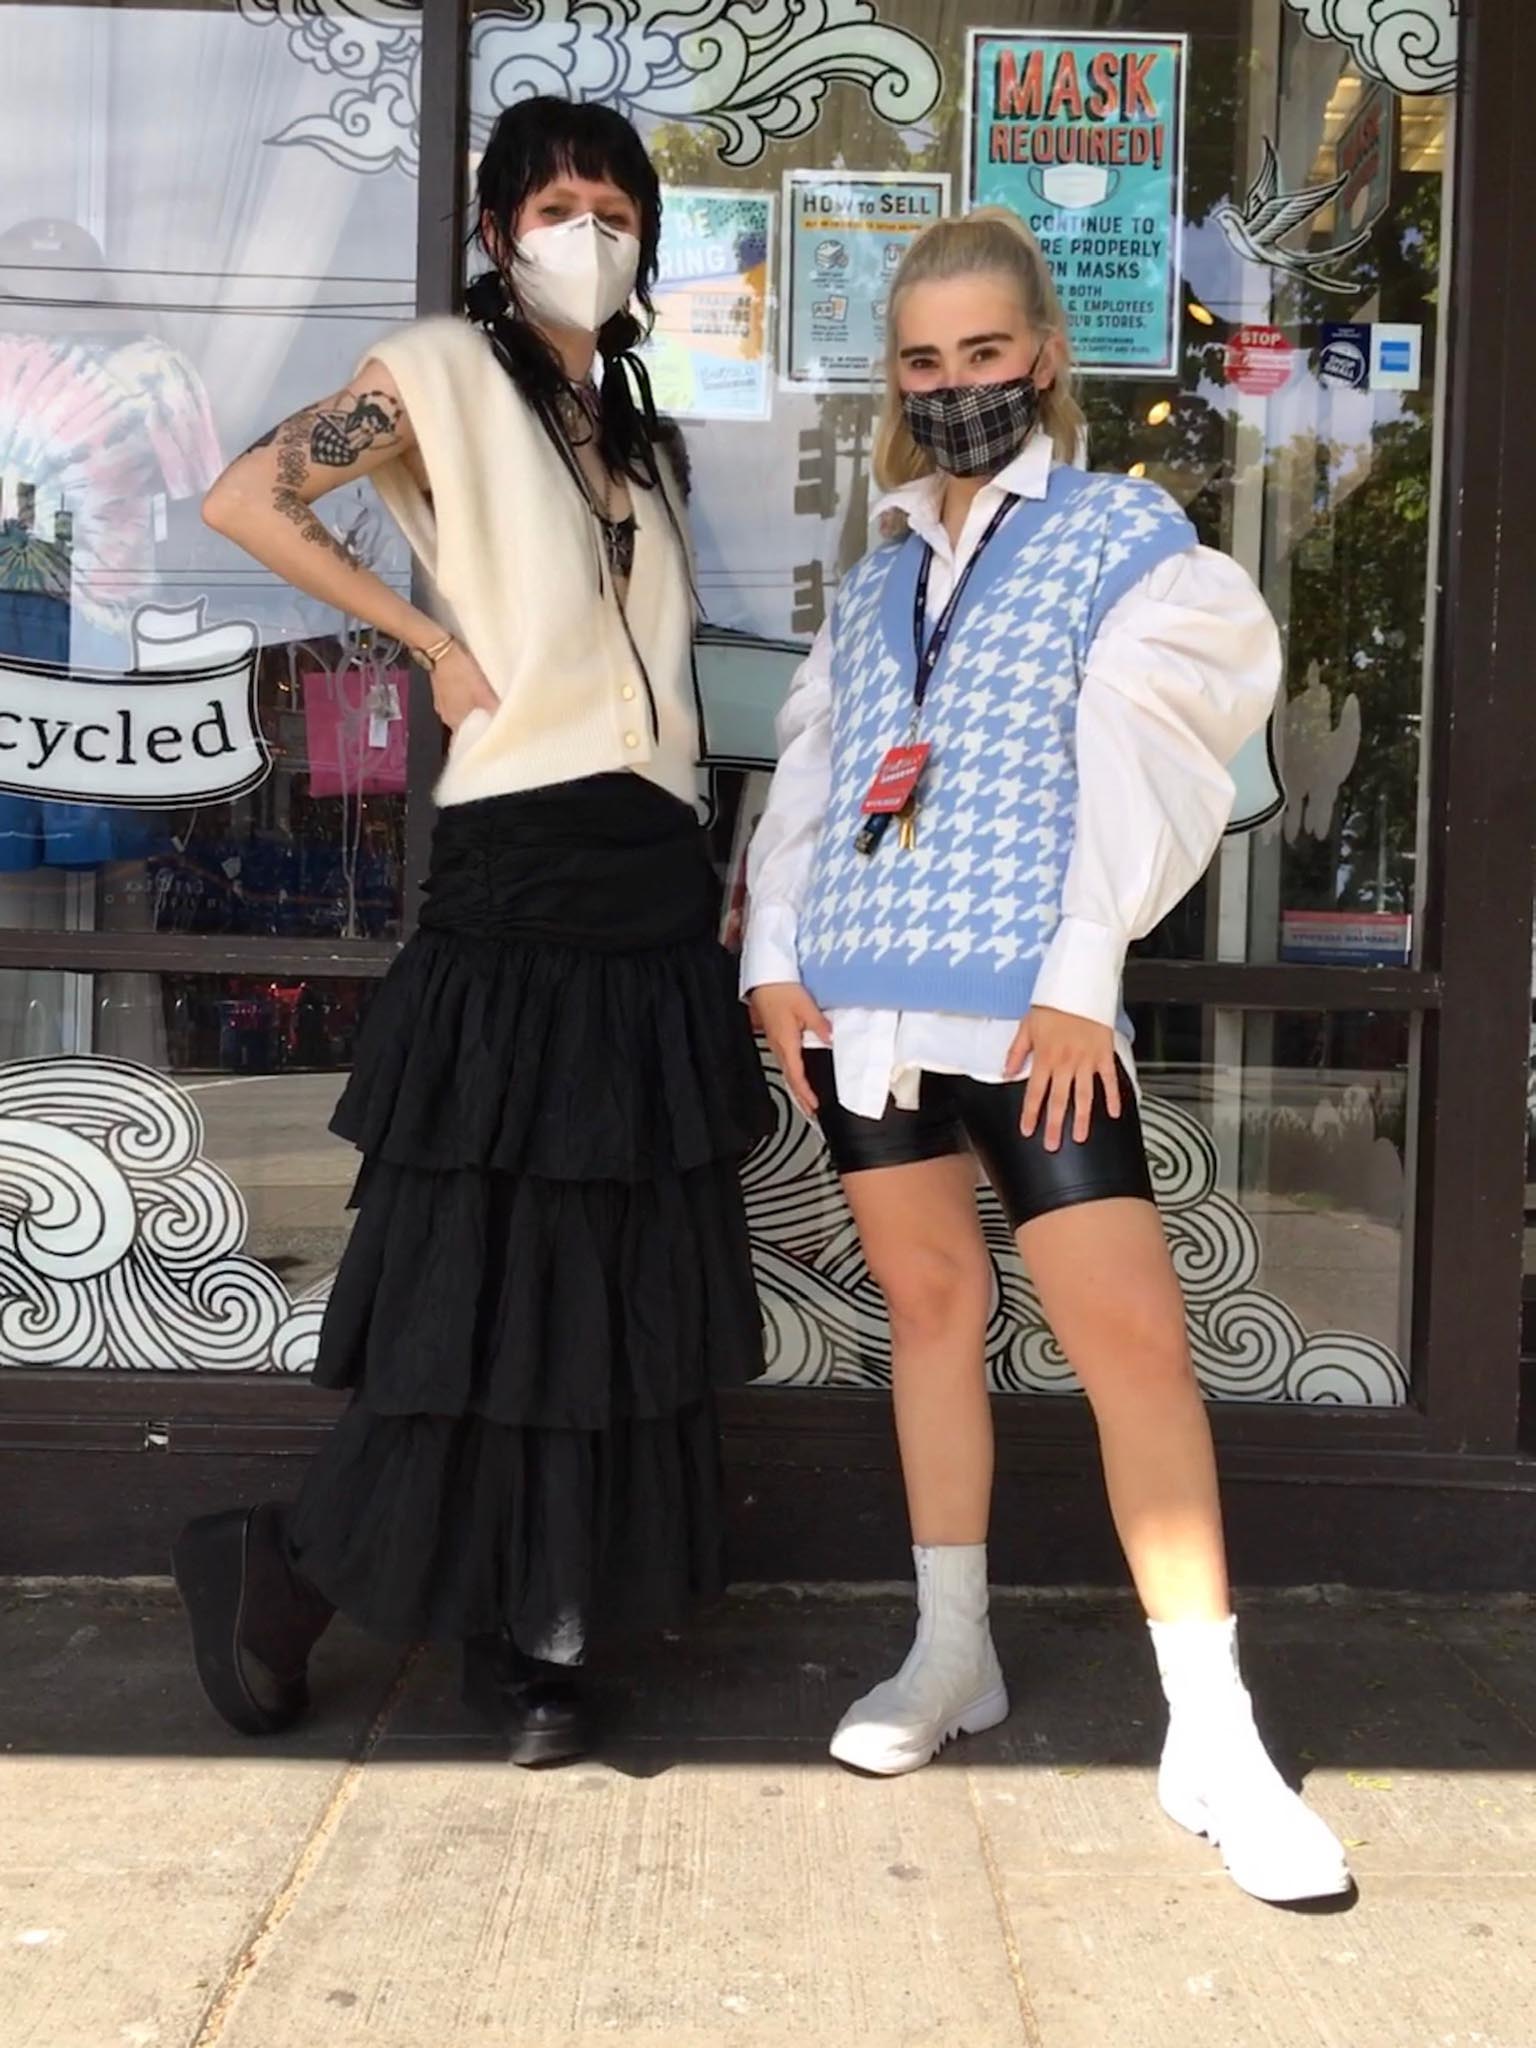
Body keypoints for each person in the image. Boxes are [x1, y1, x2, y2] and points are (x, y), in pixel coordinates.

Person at [743, 208, 1350, 1904]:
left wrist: (1086, 974)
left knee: (1131, 1347)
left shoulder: (1120, 535)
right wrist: (775, 962)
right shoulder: (871, 575)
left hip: (1028, 1007)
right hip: (871, 1003)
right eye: (923, 362)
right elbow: (817, 767)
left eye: (983, 354)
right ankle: (954, 1653)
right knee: (931, 1317)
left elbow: (1150, 753)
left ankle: (1212, 1732)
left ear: (1044, 356)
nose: (953, 387)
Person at [171, 97, 770, 1766]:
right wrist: (421, 633)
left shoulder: (632, 423)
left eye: (614, 200)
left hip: (651, 866)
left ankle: (543, 1620)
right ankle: (291, 1573)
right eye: (556, 201)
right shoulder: (439, 366)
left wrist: (708, 841)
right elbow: (244, 499)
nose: (590, 225)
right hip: (522, 863)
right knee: (486, 1272)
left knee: (609, 1275)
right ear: (501, 229)